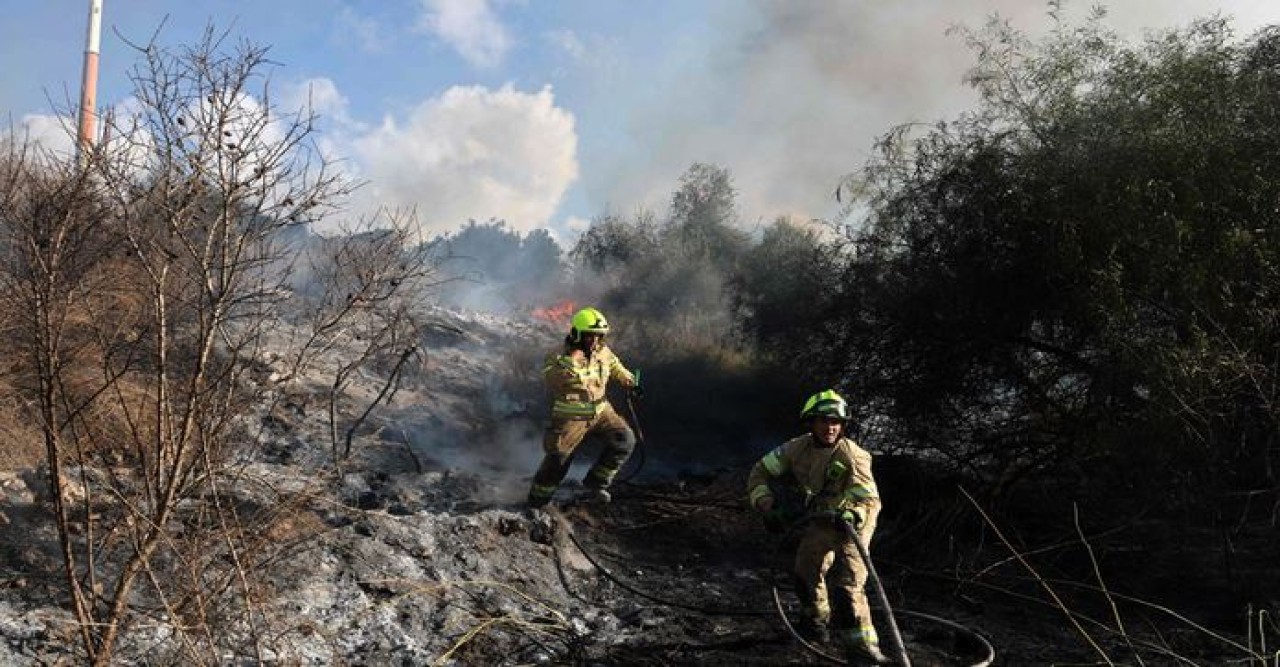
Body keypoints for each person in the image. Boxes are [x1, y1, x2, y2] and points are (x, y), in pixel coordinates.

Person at [746, 389, 889, 664]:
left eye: (836, 421)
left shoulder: (853, 456)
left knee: (848, 587)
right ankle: (815, 625)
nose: (830, 427)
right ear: (810, 422)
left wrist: (853, 516)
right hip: (822, 519)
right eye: (823, 420)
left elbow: (869, 500)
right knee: (805, 572)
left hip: (852, 526)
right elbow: (759, 472)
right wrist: (768, 506)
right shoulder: (796, 449)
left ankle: (863, 649)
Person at [526, 307, 640, 508]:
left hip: (602, 411)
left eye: (598, 336)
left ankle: (595, 484)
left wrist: (629, 380)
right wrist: (573, 361)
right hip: (572, 416)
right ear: (576, 334)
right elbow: (553, 379)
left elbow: (614, 365)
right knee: (559, 460)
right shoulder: (558, 357)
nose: (594, 341)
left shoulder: (602, 351)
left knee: (624, 441)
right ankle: (537, 501)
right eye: (589, 336)